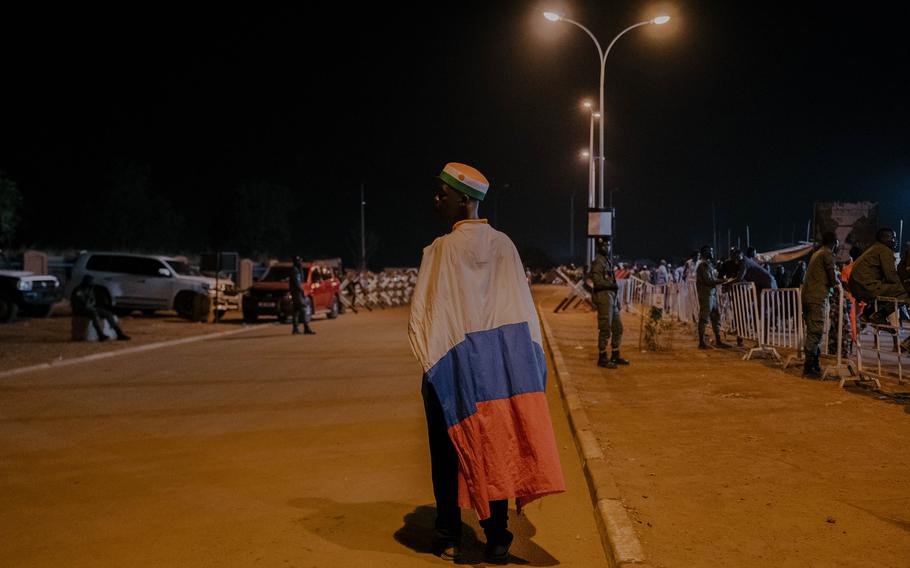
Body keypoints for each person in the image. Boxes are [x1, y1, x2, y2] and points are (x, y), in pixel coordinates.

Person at [408, 162, 565, 564]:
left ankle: (447, 531)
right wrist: (530, 366)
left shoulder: (441, 250)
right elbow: (523, 313)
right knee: (493, 446)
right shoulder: (505, 246)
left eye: (443, 193)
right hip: (499, 369)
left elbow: (426, 316)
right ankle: (497, 535)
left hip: (452, 366)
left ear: (465, 199)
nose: (436, 199)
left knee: (447, 453)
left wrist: (433, 369)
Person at [847, 227, 909, 324]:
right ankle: (880, 315)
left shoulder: (874, 248)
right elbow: (891, 277)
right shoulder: (885, 250)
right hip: (867, 288)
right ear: (884, 238)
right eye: (892, 238)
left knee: (892, 291)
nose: (895, 241)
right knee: (907, 291)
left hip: (858, 288)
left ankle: (868, 314)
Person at [801, 232, 839, 377]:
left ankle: (814, 364)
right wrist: (838, 285)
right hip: (816, 298)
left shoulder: (817, 253)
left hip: (808, 296)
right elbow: (832, 278)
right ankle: (809, 368)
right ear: (834, 242)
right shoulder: (827, 254)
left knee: (812, 330)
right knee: (815, 331)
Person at [589, 235, 629, 369]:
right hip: (604, 298)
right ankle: (602, 356)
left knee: (618, 327)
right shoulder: (598, 262)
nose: (607, 248)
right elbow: (597, 281)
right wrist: (610, 286)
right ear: (599, 247)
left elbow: (612, 282)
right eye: (604, 246)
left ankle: (615, 354)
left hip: (612, 298)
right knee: (605, 328)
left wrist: (616, 298)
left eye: (608, 245)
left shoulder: (607, 261)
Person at [70, 275, 130, 341]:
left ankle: (119, 333)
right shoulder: (79, 290)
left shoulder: (90, 289)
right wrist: (89, 306)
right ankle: (100, 334)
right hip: (80, 309)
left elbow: (93, 301)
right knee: (94, 314)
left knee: (108, 314)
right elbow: (81, 302)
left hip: (90, 308)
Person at [696, 245, 732, 349]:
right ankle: (701, 343)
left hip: (712, 294)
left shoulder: (708, 265)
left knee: (715, 318)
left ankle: (718, 341)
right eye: (711, 251)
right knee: (704, 318)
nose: (712, 253)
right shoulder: (703, 266)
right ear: (706, 252)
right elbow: (709, 281)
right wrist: (724, 280)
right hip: (706, 295)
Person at [290, 256, 315, 335]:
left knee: (296, 311)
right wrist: (302, 292)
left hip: (295, 293)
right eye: (300, 261)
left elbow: (301, 280)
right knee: (303, 309)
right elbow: (298, 283)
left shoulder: (296, 269)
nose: (301, 263)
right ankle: (306, 328)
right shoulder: (295, 271)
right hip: (297, 293)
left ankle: (295, 329)